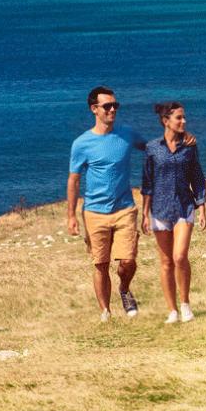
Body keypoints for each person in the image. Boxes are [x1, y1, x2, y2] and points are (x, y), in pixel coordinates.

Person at [67, 86, 149, 321]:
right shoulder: (81, 143)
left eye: (115, 105)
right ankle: (106, 312)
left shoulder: (127, 134)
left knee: (128, 261)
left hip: (125, 208)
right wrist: (71, 216)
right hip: (94, 212)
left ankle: (124, 289)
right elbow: (73, 180)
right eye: (107, 106)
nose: (113, 109)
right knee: (100, 264)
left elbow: (152, 149)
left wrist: (178, 139)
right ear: (94, 109)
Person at [140, 101, 206, 324]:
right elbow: (147, 182)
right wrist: (144, 214)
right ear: (165, 121)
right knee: (166, 262)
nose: (184, 121)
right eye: (179, 118)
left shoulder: (190, 145)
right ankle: (171, 310)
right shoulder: (152, 148)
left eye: (184, 117)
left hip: (184, 206)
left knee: (180, 256)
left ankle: (185, 303)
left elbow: (197, 176)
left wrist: (202, 206)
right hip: (159, 209)